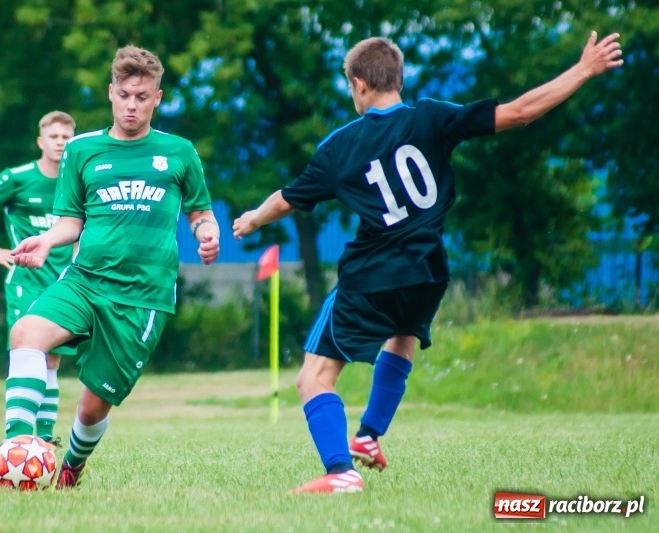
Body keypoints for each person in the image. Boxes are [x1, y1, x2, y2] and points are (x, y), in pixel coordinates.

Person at [233, 31, 623, 494]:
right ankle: (370, 435)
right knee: (403, 335)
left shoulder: (342, 146)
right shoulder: (433, 117)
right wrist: (584, 69)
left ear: (359, 84)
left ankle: (341, 471)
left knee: (313, 378)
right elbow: (520, 111)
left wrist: (252, 219)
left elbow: (287, 199)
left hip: (371, 276)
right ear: (399, 79)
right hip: (428, 272)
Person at [0, 44, 219, 490]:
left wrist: (207, 232)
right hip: (84, 280)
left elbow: (200, 212)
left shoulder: (180, 152)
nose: (132, 105)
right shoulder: (82, 150)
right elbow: (71, 221)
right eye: (124, 95)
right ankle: (16, 447)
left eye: (142, 97)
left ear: (157, 98)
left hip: (142, 296)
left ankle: (71, 466)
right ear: (111, 93)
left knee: (91, 408)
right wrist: (47, 241)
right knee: (25, 334)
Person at [0, 111, 77, 476]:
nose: (59, 142)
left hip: (62, 281)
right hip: (25, 280)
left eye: (66, 136)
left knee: (52, 361)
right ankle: (16, 441)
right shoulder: (17, 178)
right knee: (28, 353)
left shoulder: (76, 181)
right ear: (40, 141)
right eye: (53, 136)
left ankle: (45, 441)